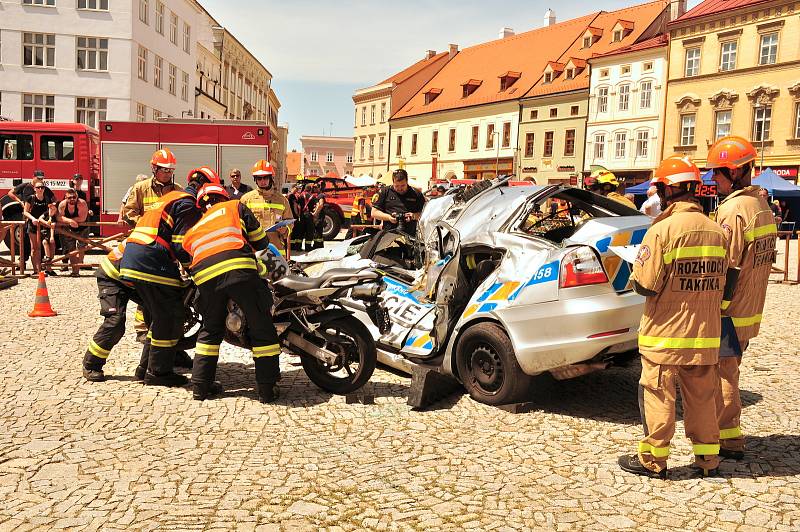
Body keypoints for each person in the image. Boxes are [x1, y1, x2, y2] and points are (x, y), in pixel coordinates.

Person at [618, 155, 728, 479]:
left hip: (665, 333)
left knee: (658, 396)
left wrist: (633, 266)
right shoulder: (717, 231)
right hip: (705, 333)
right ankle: (708, 460)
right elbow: (727, 283)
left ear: (666, 191)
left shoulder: (661, 231)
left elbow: (646, 286)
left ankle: (654, 460)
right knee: (703, 399)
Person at [707, 135, 778, 461]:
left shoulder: (734, 210)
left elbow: (728, 268)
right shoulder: (761, 207)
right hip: (750, 310)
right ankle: (729, 435)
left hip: (729, 312)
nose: (712, 179)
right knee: (730, 373)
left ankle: (727, 441)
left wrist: (714, 309)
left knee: (723, 375)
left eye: (717, 173)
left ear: (735, 173)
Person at [181, 183, 281, 403]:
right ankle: (267, 388)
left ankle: (200, 387)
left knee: (210, 330)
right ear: (223, 197)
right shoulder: (235, 206)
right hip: (239, 271)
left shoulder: (194, 229)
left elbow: (188, 258)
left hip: (205, 279)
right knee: (261, 325)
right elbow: (261, 241)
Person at [119, 173, 197, 387]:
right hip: (151, 259)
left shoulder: (170, 197)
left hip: (137, 256)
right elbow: (181, 244)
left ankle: (145, 368)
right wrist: (193, 267)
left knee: (158, 316)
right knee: (170, 315)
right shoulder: (187, 203)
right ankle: (159, 373)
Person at [82, 240, 141, 382]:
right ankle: (91, 363)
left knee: (164, 312)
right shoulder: (152, 232)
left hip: (134, 277)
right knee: (116, 321)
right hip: (112, 275)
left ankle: (172, 355)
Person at [240, 160, 292, 256]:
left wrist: (286, 229)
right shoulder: (246, 200)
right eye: (259, 178)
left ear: (271, 178)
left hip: (277, 252)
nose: (262, 181)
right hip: (255, 252)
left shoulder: (282, 200)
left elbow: (289, 222)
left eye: (265, 178)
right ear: (255, 179)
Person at [121, 149, 183, 226]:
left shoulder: (178, 190)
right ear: (154, 168)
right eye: (165, 169)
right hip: (146, 236)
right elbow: (129, 213)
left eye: (171, 170)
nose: (168, 173)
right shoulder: (140, 188)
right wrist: (147, 223)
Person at [370, 169, 426, 235]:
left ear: (407, 182)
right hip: (388, 235)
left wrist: (413, 216)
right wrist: (389, 217)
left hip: (410, 235)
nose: (400, 188)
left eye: (403, 185)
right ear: (393, 182)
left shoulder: (416, 194)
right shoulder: (384, 192)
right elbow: (374, 213)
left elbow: (425, 214)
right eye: (396, 186)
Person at [23, 181, 57, 275]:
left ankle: (48, 268)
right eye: (38, 188)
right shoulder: (31, 198)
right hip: (33, 225)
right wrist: (33, 219)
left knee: (49, 245)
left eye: (42, 187)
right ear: (34, 189)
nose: (40, 189)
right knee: (35, 248)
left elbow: (50, 211)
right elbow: (25, 212)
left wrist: (50, 220)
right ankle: (36, 270)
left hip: (44, 225)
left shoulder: (47, 199)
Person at [57, 189, 90, 276]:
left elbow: (82, 218)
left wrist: (69, 220)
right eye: (69, 197)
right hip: (69, 228)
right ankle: (75, 271)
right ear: (65, 197)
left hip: (83, 228)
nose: (72, 199)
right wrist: (70, 221)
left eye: (74, 197)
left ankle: (78, 268)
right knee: (71, 249)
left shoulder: (82, 203)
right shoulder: (62, 205)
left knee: (81, 248)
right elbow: (59, 218)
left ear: (77, 197)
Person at [288, 183, 306, 252]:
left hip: (290, 216)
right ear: (293, 188)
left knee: (292, 232)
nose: (298, 190)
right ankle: (295, 247)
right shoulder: (292, 196)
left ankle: (292, 246)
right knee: (296, 232)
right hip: (293, 216)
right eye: (297, 188)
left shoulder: (289, 195)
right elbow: (295, 206)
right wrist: (298, 215)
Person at [311, 183, 325, 249]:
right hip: (319, 216)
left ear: (319, 188)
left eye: (316, 187)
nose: (314, 188)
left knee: (318, 231)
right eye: (314, 187)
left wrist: (315, 213)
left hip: (319, 216)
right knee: (317, 231)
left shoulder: (321, 195)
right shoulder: (318, 195)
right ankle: (318, 245)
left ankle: (318, 245)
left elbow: (321, 205)